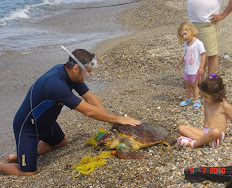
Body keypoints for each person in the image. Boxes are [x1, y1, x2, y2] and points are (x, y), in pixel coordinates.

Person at [0, 49, 141, 176]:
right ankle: (6, 164)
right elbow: (89, 111)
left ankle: (19, 155)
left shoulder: (72, 75)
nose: (89, 76)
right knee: (28, 173)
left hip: (47, 122)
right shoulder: (55, 85)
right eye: (87, 72)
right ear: (75, 68)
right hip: (28, 126)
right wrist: (119, 119)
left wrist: (112, 121)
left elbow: (90, 98)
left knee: (60, 144)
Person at [177, 73, 232, 148]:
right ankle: (207, 142)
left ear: (215, 96)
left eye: (206, 97)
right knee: (181, 128)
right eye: (202, 96)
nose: (203, 99)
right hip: (204, 132)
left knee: (215, 132)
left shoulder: (225, 106)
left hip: (217, 134)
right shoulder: (207, 104)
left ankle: (194, 144)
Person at [187, 0, 232, 79]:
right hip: (193, 22)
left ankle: (210, 82)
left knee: (210, 54)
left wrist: (223, 15)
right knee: (196, 52)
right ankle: (199, 81)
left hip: (208, 22)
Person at [176, 21, 206, 109]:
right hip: (187, 70)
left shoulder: (198, 43)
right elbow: (185, 55)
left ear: (191, 30)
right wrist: (180, 63)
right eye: (182, 35)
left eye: (185, 34)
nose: (184, 37)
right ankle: (187, 99)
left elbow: (203, 55)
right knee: (188, 85)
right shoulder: (186, 44)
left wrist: (201, 67)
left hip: (195, 69)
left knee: (194, 85)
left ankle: (196, 100)